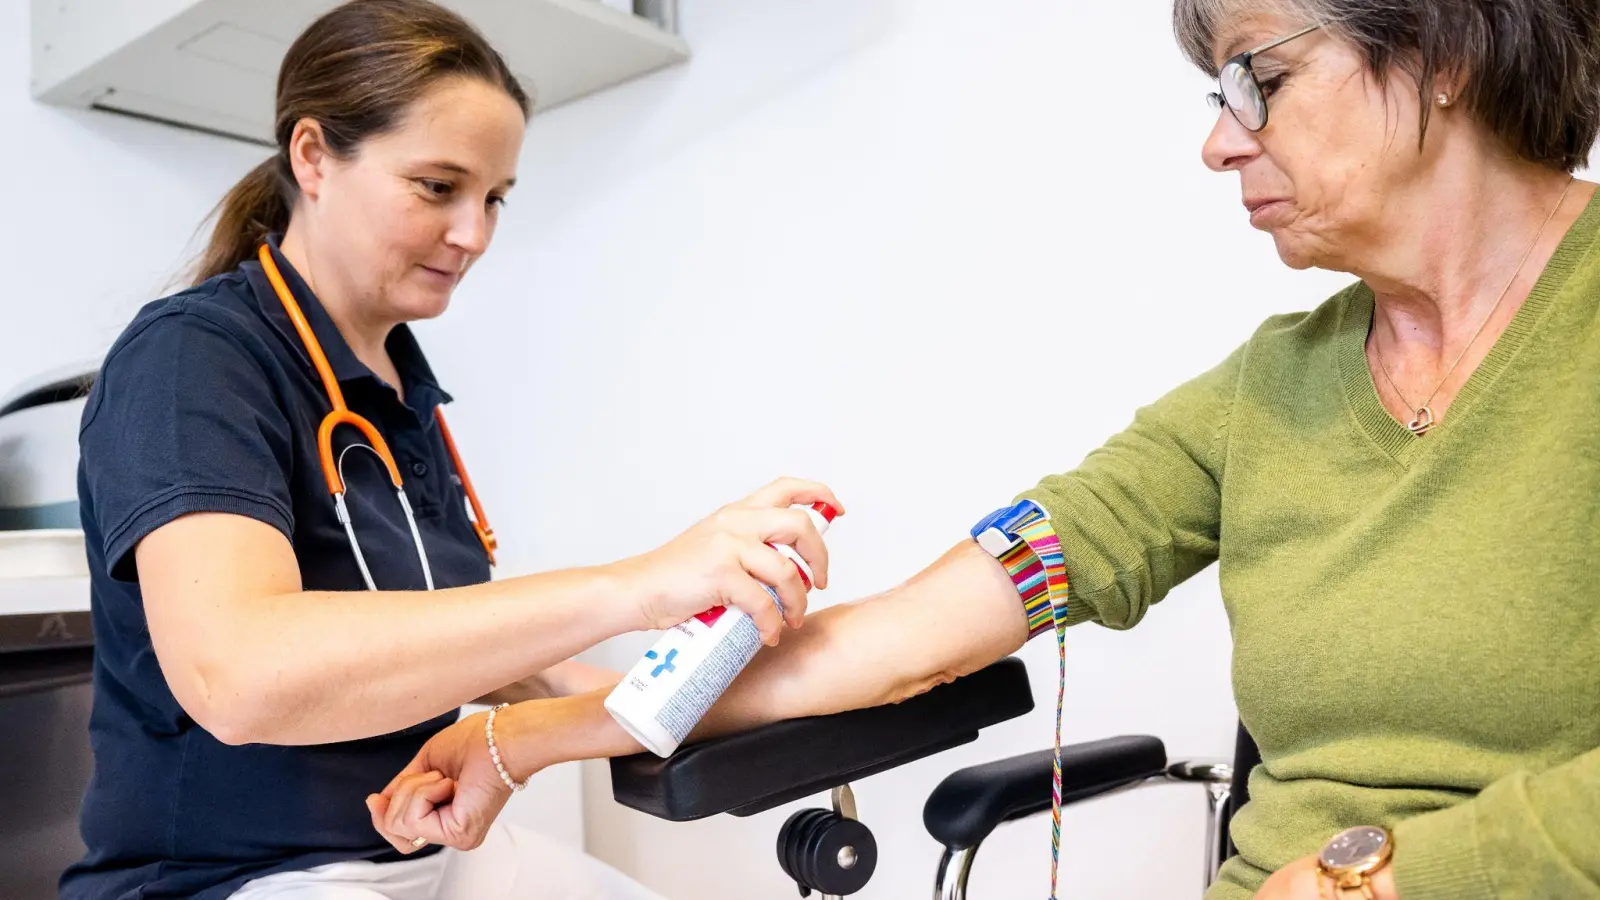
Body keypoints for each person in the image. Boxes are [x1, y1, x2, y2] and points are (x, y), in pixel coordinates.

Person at [372, 2, 1600, 899]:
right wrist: (520, 737)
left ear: (1440, 48)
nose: (1221, 142)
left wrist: (1380, 883)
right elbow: (903, 641)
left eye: (1255, 78)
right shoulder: (1263, 397)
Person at [60, 2, 845, 898]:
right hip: (238, 878)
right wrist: (635, 586)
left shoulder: (400, 388)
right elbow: (238, 676)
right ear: (313, 157)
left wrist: (720, 671)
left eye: (495, 198)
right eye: (438, 187)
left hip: (432, 853)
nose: (474, 234)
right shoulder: (193, 359)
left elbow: (465, 640)